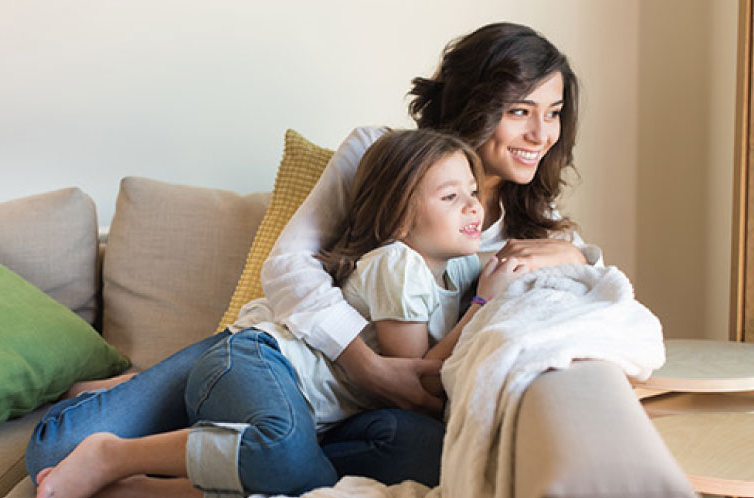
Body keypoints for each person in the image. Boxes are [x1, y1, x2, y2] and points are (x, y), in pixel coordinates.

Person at [24, 21, 601, 497]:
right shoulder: (378, 157)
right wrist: (365, 364)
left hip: (360, 410)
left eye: (553, 113)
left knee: (431, 460)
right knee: (51, 452)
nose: (541, 133)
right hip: (289, 358)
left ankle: (245, 450)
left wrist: (572, 249)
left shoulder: (524, 230)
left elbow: (586, 286)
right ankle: (176, 417)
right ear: (474, 102)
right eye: (521, 111)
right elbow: (289, 267)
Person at [31, 129, 531, 498]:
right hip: (258, 359)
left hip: (317, 410)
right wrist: (484, 304)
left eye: (473, 194)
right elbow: (417, 378)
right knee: (278, 451)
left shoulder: (456, 261)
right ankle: (112, 452)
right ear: (401, 214)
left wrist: (547, 261)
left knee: (396, 460)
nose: (473, 209)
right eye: (452, 197)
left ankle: (146, 482)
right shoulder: (398, 261)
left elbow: (521, 259)